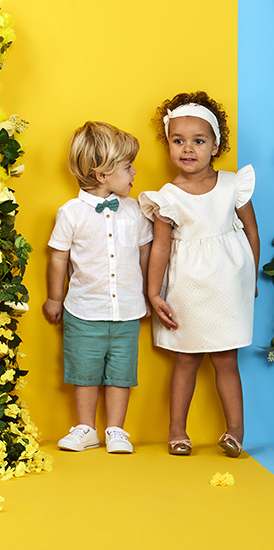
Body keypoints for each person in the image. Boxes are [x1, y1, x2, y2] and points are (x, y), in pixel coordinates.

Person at [139, 92, 259, 457]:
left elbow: (251, 231)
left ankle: (235, 431)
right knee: (186, 359)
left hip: (228, 285)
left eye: (198, 141)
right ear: (168, 145)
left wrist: (251, 278)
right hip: (187, 287)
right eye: (178, 141)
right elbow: (160, 247)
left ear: (215, 146)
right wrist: (154, 293)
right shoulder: (168, 197)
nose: (187, 149)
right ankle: (177, 431)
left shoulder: (232, 186)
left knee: (226, 359)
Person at [43, 121, 152, 454]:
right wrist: (54, 298)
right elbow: (58, 258)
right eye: (128, 166)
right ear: (103, 174)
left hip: (127, 310)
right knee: (84, 370)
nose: (135, 172)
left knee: (121, 373)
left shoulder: (135, 210)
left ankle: (116, 429)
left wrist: (149, 294)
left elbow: (146, 254)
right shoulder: (71, 213)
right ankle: (86, 427)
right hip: (83, 309)